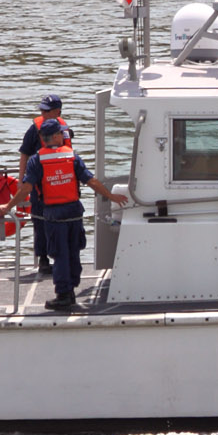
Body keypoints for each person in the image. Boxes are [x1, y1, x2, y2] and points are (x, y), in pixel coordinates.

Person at [24, 119, 126, 311]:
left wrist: (8, 206)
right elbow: (91, 181)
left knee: (59, 255)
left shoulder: (36, 160)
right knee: (73, 252)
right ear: (55, 136)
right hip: (74, 213)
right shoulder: (72, 156)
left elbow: (27, 187)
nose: (64, 136)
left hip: (54, 215)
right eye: (61, 133)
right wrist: (111, 196)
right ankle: (71, 288)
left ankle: (64, 294)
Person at [16, 94, 71, 273]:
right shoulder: (34, 130)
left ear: (57, 112)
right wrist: (21, 179)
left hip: (61, 183)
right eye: (41, 110)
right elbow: (24, 153)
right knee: (40, 222)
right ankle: (43, 259)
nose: (43, 113)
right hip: (40, 186)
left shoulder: (64, 129)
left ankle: (62, 256)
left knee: (62, 222)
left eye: (46, 111)